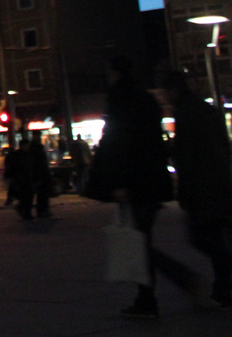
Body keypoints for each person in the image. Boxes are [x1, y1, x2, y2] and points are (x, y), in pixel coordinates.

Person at [85, 56, 178, 320]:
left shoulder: (120, 99)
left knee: (139, 241)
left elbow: (118, 142)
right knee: (143, 237)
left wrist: (116, 181)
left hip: (134, 180)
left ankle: (153, 295)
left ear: (115, 73)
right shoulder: (146, 99)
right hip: (152, 178)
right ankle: (153, 293)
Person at [162, 70, 232, 308]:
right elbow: (223, 147)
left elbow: (187, 156)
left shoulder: (185, 112)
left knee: (202, 237)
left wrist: (184, 190)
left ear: (173, 90)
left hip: (201, 185)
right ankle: (225, 286)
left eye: (165, 92)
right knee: (215, 236)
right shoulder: (206, 109)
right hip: (218, 182)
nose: (164, 97)